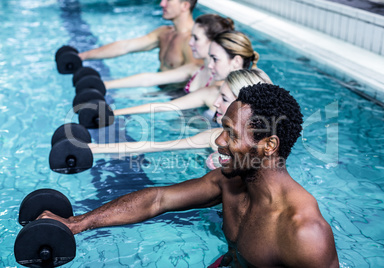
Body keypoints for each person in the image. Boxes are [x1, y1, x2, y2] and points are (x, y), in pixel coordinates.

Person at [38, 82, 339, 267]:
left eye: (231, 134)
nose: (219, 140)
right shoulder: (230, 182)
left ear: (269, 145)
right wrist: (77, 223)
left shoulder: (303, 233)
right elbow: (158, 199)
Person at [89, 69, 272, 164]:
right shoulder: (214, 137)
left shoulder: (265, 150)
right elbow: (156, 146)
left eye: (223, 98)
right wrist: (95, 148)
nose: (215, 102)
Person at [111, 30, 264, 118]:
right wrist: (113, 113)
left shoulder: (260, 93)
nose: (209, 65)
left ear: (236, 61)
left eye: (215, 59)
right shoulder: (213, 91)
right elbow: (166, 106)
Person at [103, 14, 235, 93]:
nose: (190, 43)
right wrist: (106, 85)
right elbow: (148, 79)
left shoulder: (224, 83)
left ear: (213, 41)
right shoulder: (195, 69)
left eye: (196, 38)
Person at [79, 0, 201, 72]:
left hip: (179, 103)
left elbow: (194, 80)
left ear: (185, 5)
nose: (161, 4)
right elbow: (124, 46)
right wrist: (82, 56)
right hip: (161, 93)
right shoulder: (163, 32)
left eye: (168, 0)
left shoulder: (192, 42)